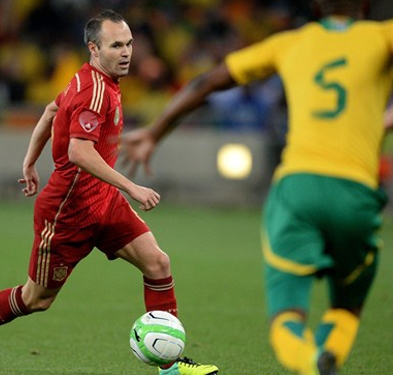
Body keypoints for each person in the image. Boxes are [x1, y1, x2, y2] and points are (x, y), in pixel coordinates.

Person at [120, 1, 391, 374]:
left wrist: (155, 130)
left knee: (286, 317)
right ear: (364, 5)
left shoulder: (288, 43)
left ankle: (311, 363)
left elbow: (206, 82)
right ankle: (329, 355)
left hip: (298, 189)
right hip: (356, 191)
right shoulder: (382, 36)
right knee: (346, 305)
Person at [0, 9, 219, 375]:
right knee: (35, 299)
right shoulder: (93, 92)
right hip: (67, 212)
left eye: (129, 44)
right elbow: (78, 151)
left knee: (158, 262)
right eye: (116, 45)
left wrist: (29, 161)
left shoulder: (92, 79)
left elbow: (49, 110)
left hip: (103, 202)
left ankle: (169, 364)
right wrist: (131, 186)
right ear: (94, 48)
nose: (126, 52)